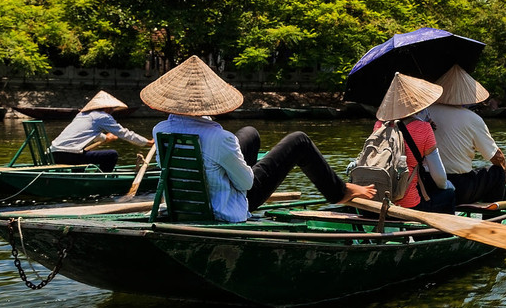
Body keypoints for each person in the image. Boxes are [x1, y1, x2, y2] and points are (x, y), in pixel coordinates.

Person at [140, 55, 374, 223]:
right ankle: (339, 192)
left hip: (188, 202)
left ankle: (338, 188)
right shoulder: (220, 138)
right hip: (224, 208)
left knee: (250, 133)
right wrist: (242, 168)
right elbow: (246, 185)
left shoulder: (160, 130)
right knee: (299, 140)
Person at [373, 72, 455, 213]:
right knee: (450, 191)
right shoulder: (423, 128)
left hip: (379, 201)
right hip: (408, 204)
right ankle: (429, 235)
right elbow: (440, 178)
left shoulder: (379, 126)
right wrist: (447, 185)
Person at [427, 65, 506, 206]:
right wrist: (505, 176)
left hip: (426, 185)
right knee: (498, 171)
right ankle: (492, 221)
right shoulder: (472, 118)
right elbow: (497, 157)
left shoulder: (423, 113)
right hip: (460, 188)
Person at [49, 90, 151, 172]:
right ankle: (104, 178)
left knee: (84, 154)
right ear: (107, 107)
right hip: (70, 155)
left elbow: (89, 133)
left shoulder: (82, 115)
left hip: (53, 153)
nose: (112, 111)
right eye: (112, 109)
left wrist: (106, 138)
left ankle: (81, 178)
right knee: (112, 155)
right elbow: (124, 134)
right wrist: (147, 142)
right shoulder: (103, 116)